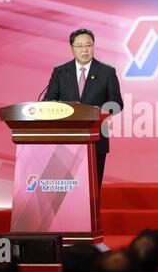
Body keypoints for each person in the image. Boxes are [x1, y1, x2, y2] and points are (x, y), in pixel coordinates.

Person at [43, 28, 123, 189]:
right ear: (71, 48)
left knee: (92, 187)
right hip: (67, 139)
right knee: (68, 190)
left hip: (96, 138)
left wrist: (98, 111)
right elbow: (49, 99)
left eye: (88, 45)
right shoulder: (61, 71)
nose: (85, 50)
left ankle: (93, 215)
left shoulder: (107, 71)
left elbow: (117, 103)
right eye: (79, 46)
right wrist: (57, 107)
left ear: (93, 46)